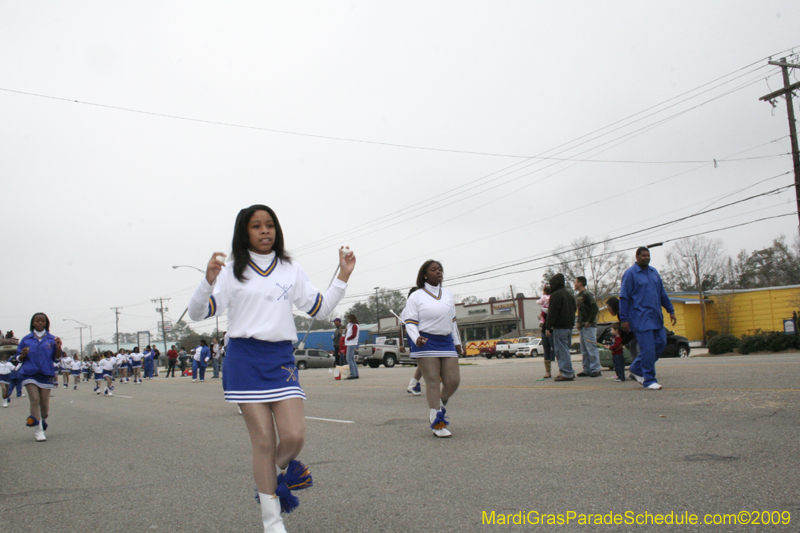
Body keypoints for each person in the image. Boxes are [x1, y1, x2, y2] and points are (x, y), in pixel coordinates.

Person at [187, 204, 355, 533]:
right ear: (244, 232)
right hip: (244, 358)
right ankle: (272, 519)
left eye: (269, 225)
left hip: (280, 359)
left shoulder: (290, 268)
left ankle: (273, 477)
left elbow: (320, 309)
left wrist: (343, 276)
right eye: (256, 226)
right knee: (263, 441)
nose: (265, 231)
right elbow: (197, 313)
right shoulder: (232, 270)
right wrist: (207, 283)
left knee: (293, 436)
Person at [401, 260, 462, 438]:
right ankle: (437, 422)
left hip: (446, 342)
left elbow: (453, 321)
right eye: (434, 270)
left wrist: (457, 341)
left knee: (453, 381)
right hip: (426, 342)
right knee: (433, 382)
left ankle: (439, 405)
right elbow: (410, 321)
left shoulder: (449, 294)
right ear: (425, 275)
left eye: (440, 269)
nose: (438, 272)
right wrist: (415, 338)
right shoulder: (416, 296)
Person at [619, 247, 676, 390]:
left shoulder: (654, 273)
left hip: (656, 317)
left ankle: (637, 367)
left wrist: (670, 310)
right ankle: (649, 380)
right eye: (643, 255)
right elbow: (624, 298)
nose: (646, 258)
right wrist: (624, 319)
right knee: (648, 349)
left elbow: (662, 293)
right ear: (637, 257)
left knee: (661, 343)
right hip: (640, 318)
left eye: (648, 255)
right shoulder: (630, 274)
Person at [16, 312, 63, 442]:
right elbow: (18, 357)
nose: (40, 323)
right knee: (35, 400)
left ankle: (43, 419)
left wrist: (59, 347)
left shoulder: (52, 339)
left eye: (43, 321)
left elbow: (57, 358)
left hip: (46, 373)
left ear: (46, 323)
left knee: (44, 404)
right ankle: (39, 430)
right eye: (38, 321)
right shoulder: (26, 339)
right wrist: (23, 355)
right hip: (29, 373)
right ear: (33, 323)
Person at [544, 273, 577, 382]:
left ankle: (566, 372)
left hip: (560, 327)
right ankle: (569, 371)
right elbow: (574, 310)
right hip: (569, 327)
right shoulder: (569, 295)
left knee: (561, 351)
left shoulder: (556, 295)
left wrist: (548, 327)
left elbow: (552, 312)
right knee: (565, 350)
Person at [574, 276, 601, 378]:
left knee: (591, 347)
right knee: (584, 349)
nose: (574, 284)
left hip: (589, 325)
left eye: (575, 282)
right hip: (582, 325)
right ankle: (587, 369)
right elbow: (580, 311)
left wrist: (590, 321)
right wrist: (578, 322)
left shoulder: (587, 294)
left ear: (580, 283)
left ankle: (596, 369)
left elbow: (595, 308)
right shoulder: (578, 296)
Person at [537, 284, 555, 379]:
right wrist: (540, 316)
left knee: (555, 349)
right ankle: (548, 371)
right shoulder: (543, 305)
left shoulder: (552, 303)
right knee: (546, 350)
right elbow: (541, 315)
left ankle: (562, 369)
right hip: (544, 330)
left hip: (551, 330)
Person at [343, 314, 360, 380]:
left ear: (351, 319)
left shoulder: (354, 326)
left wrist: (348, 338)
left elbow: (354, 335)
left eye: (348, 318)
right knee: (352, 359)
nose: (348, 320)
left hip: (351, 343)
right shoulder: (352, 326)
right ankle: (355, 373)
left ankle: (353, 374)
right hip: (351, 343)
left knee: (349, 359)